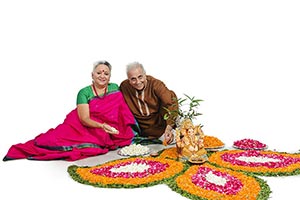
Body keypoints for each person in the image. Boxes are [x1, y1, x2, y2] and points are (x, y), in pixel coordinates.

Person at [3, 60, 136, 161]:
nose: (102, 76)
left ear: (110, 77)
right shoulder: (84, 92)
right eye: (99, 72)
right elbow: (84, 119)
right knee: (53, 139)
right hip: (83, 125)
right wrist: (102, 126)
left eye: (106, 73)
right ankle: (28, 149)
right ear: (92, 75)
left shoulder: (115, 88)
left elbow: (121, 110)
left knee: (106, 141)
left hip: (111, 128)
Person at [119, 61, 178, 145]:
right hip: (140, 127)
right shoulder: (124, 87)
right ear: (128, 79)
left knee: (172, 140)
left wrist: (169, 128)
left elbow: (171, 103)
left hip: (160, 123)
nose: (138, 82)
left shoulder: (156, 84)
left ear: (145, 74)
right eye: (133, 79)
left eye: (140, 77)